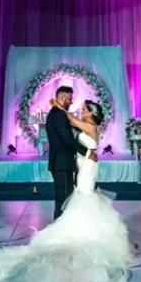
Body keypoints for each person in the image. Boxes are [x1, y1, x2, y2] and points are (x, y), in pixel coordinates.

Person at [0, 99, 132, 282]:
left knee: (84, 194)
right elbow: (72, 121)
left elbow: (70, 119)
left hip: (87, 166)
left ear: (91, 114)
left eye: (85, 109)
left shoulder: (89, 126)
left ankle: (84, 233)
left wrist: (58, 105)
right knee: (83, 194)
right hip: (85, 163)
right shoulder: (89, 125)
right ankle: (84, 229)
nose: (82, 111)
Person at [43, 86, 97, 220]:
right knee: (65, 199)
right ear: (62, 97)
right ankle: (61, 230)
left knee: (62, 198)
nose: (71, 102)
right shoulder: (59, 115)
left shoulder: (55, 113)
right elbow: (67, 139)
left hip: (59, 163)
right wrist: (87, 152)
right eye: (70, 99)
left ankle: (59, 227)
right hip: (62, 163)